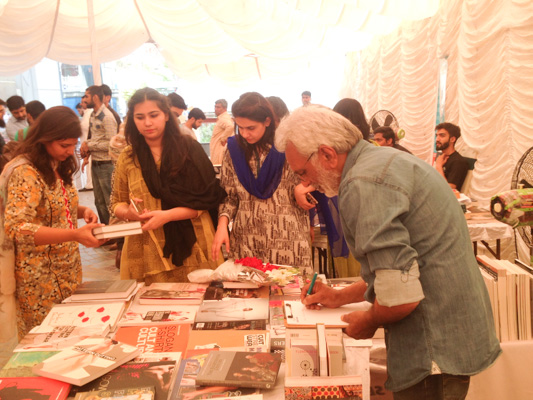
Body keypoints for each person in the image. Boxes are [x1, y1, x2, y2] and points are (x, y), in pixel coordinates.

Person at [275, 106, 501, 399]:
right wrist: (339, 296)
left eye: (303, 172)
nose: (306, 183)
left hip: (432, 347)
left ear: (327, 154)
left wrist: (368, 320)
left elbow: (400, 296)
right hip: (447, 335)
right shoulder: (383, 161)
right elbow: (396, 270)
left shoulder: (363, 182)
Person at [1, 106, 103, 339]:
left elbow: (53, 206)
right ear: (44, 139)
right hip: (38, 277)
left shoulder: (56, 164)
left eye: (73, 145)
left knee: (70, 334)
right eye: (64, 145)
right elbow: (17, 228)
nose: (69, 151)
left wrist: (83, 210)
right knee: (44, 340)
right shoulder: (25, 172)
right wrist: (74, 235)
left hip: (67, 268)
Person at [111, 87, 226, 283]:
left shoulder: (189, 150)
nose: (147, 122)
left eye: (153, 115)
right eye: (140, 117)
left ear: (165, 115)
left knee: (197, 297)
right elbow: (116, 203)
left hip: (194, 242)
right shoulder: (129, 156)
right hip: (147, 246)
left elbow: (207, 200)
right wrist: (129, 213)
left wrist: (167, 216)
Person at [211, 92, 312, 269]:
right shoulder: (234, 150)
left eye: (251, 128)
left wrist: (303, 188)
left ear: (267, 121)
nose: (245, 134)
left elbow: (320, 175)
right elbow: (229, 196)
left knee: (289, 285)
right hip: (247, 238)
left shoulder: (289, 146)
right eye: (240, 127)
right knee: (249, 284)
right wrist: (222, 225)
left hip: (287, 238)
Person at [80, 85, 117, 225]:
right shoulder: (93, 115)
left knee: (109, 202)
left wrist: (89, 145)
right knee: (99, 202)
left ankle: (116, 234)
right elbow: (96, 138)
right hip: (96, 164)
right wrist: (87, 146)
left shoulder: (107, 117)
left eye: (86, 96)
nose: (84, 99)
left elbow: (112, 144)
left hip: (106, 165)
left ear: (95, 97)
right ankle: (107, 231)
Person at [435, 122, 470, 191]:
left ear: (452, 139)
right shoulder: (440, 157)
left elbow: (450, 189)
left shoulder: (458, 162)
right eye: (437, 136)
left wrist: (439, 166)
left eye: (442, 136)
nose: (437, 139)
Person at [209, 99, 234, 165]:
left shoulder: (223, 118)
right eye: (215, 107)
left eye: (218, 107)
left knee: (218, 168)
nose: (215, 109)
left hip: (219, 150)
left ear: (225, 108)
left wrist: (223, 138)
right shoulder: (222, 118)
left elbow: (230, 126)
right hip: (218, 150)